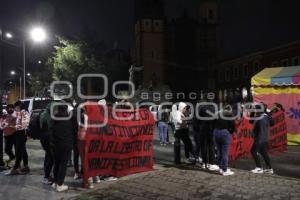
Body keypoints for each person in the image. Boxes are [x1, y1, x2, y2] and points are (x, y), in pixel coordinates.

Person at [6, 101, 30, 175]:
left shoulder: (24, 112)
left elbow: (25, 124)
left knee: (18, 151)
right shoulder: (20, 112)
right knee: (21, 150)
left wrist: (13, 126)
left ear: (19, 106)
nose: (15, 108)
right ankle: (23, 166)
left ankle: (16, 168)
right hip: (19, 133)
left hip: (21, 133)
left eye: (15, 106)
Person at [251, 104, 273, 174]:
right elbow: (272, 123)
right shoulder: (266, 116)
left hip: (259, 138)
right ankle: (269, 168)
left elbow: (257, 128)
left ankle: (259, 168)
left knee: (253, 151)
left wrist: (254, 134)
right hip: (265, 137)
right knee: (264, 153)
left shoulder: (260, 118)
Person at [213, 106, 235, 176]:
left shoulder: (218, 114)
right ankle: (225, 170)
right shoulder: (230, 115)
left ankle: (220, 168)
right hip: (224, 133)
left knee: (219, 151)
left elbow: (213, 122)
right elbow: (233, 126)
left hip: (216, 132)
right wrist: (230, 132)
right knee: (225, 152)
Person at [198, 102, 219, 171]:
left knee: (203, 147)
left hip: (203, 129)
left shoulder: (201, 108)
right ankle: (211, 163)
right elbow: (216, 119)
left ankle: (204, 163)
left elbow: (198, 119)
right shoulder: (215, 108)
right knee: (211, 147)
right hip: (211, 129)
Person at [39, 103, 54, 185]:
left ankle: (46, 174)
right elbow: (50, 127)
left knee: (48, 155)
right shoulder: (49, 115)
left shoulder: (43, 113)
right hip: (48, 137)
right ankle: (46, 176)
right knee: (51, 157)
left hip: (43, 137)